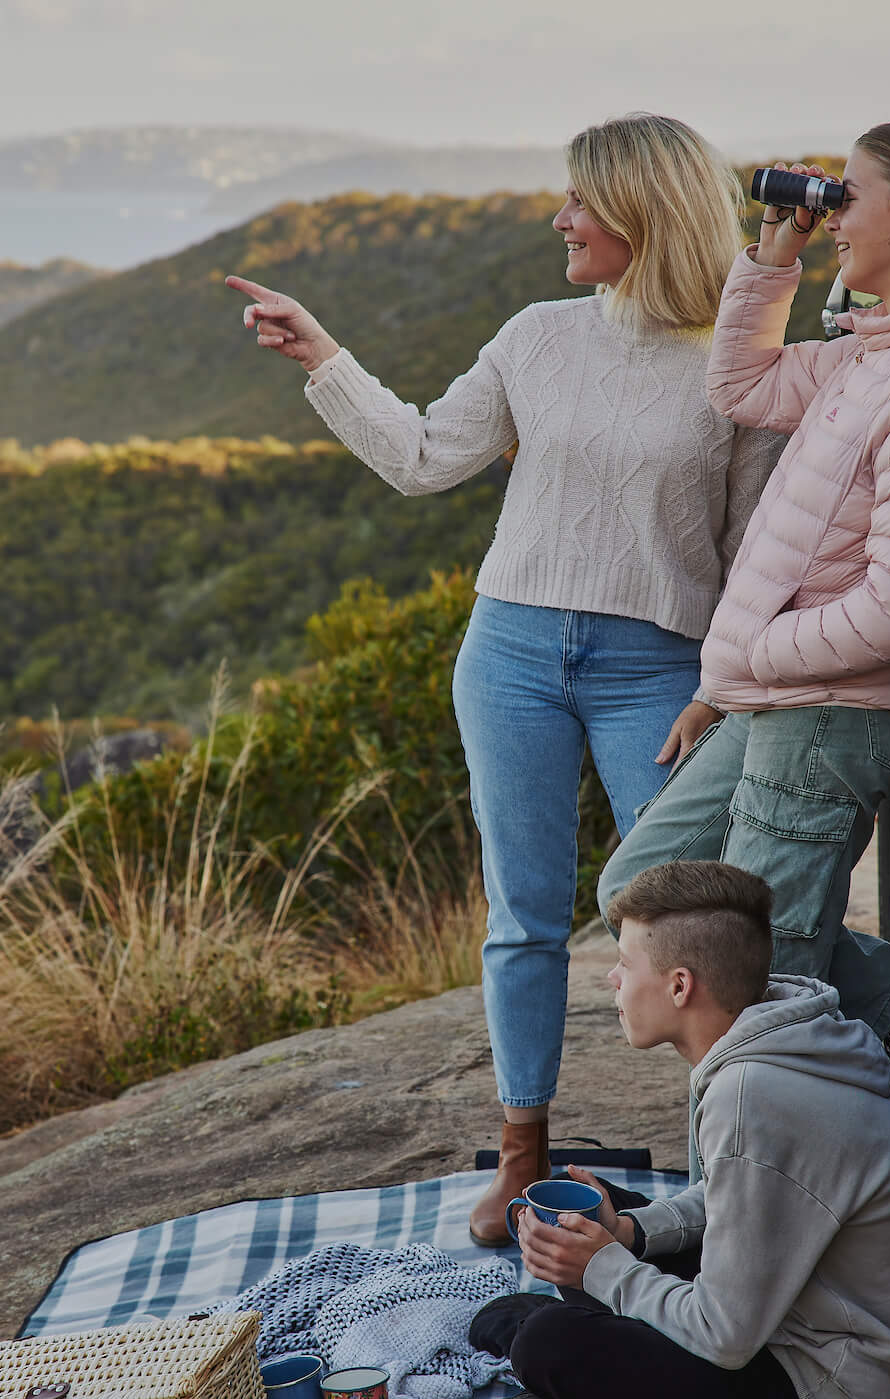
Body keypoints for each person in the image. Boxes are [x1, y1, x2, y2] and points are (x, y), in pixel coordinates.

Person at [227, 114, 783, 1246]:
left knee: (688, 921)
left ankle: (723, 1168)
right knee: (523, 913)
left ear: (645, 212)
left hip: (661, 667)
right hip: (514, 649)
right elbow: (426, 456)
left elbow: (757, 549)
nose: (560, 219)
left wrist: (721, 684)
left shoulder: (738, 367)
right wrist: (321, 355)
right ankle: (524, 1156)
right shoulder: (537, 335)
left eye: (580, 201)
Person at [598, 114, 890, 1091]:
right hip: (787, 696)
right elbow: (740, 385)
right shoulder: (877, 350)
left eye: (843, 197)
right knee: (642, 892)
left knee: (760, 983)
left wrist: (749, 658)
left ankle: (771, 1203)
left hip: (833, 712)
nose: (831, 216)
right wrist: (775, 261)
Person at [473, 860, 890, 1399]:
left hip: (845, 1397)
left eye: (625, 964)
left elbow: (724, 1335)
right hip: (808, 1313)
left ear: (680, 986)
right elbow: (742, 1194)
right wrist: (630, 1234)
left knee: (547, 1345)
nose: (613, 981)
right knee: (595, 1214)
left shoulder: (755, 1095)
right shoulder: (781, 1038)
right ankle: (626, 1359)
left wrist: (604, 1269)